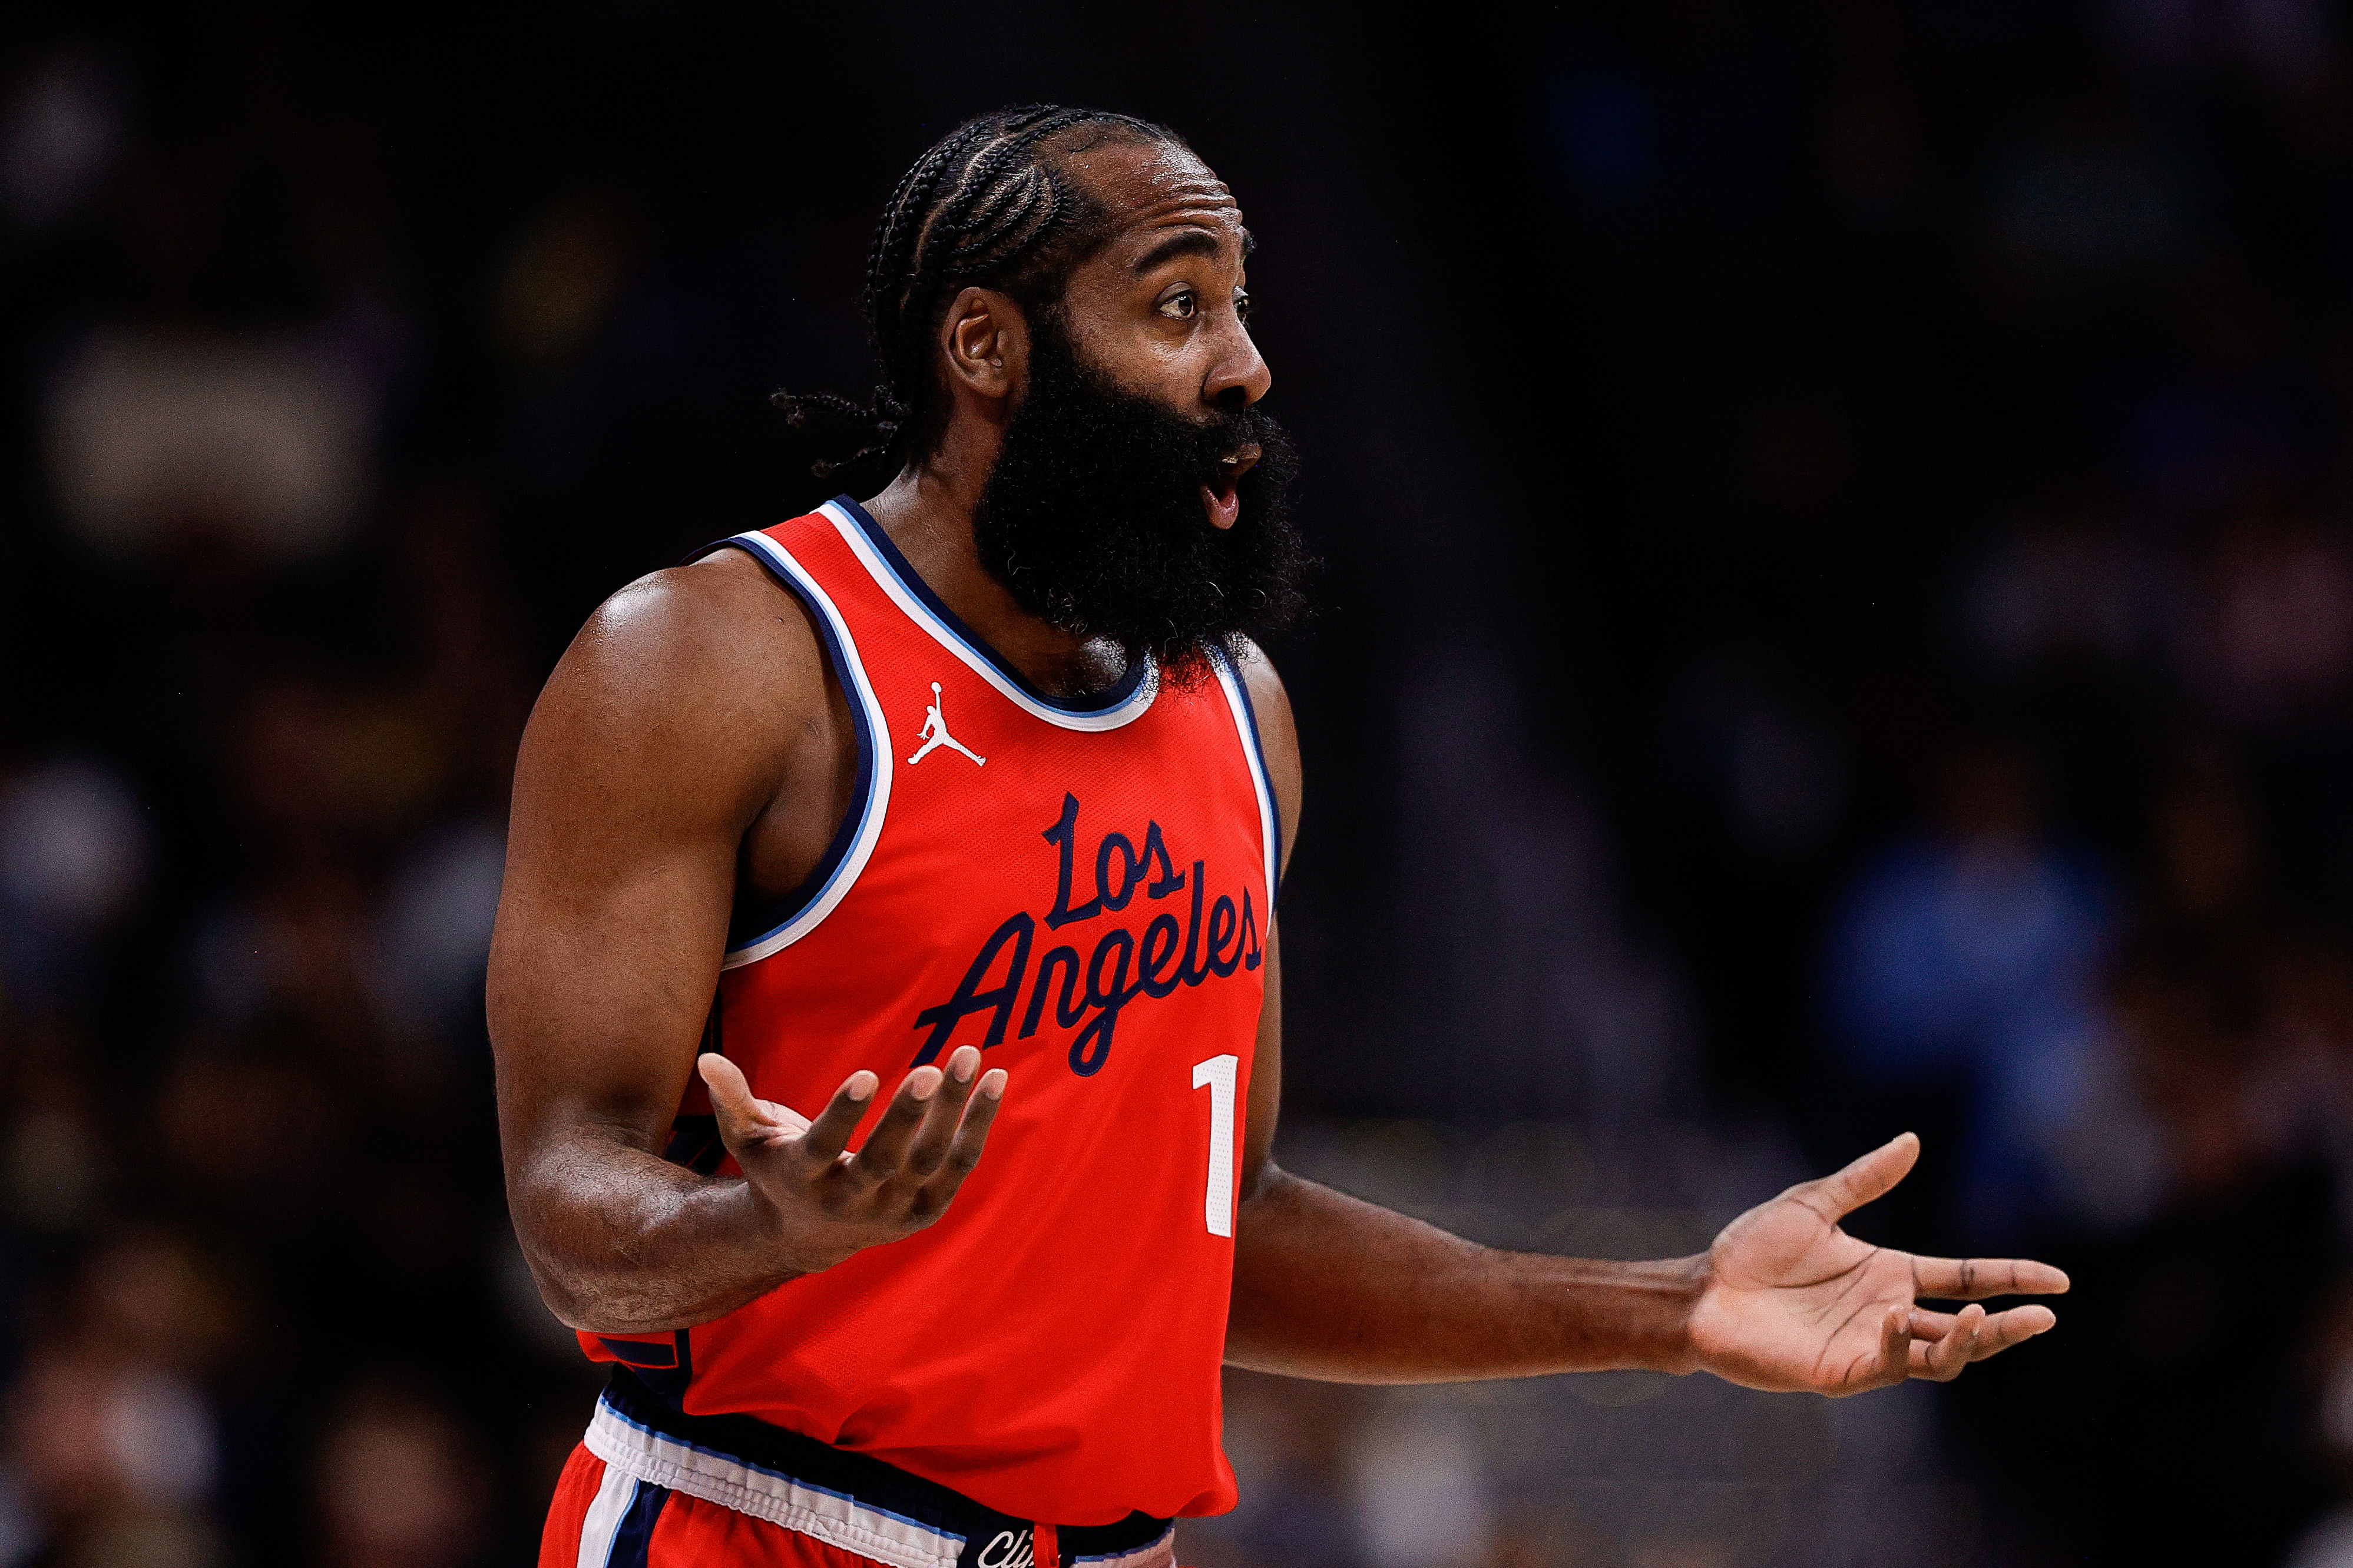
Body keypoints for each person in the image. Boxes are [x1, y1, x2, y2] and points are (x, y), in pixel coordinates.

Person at [488, 105, 2067, 1568]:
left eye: (1242, 307)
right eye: (1176, 304)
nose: (1245, 366)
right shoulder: (708, 665)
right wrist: (766, 1226)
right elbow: (570, 1216)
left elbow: (1214, 1236)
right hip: (755, 1528)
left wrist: (1674, 1308)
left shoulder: (1237, 712)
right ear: (986, 346)